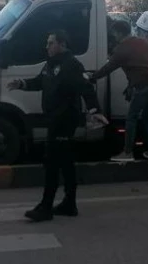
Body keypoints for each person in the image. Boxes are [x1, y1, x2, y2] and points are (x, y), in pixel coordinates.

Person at [8, 30, 106, 222]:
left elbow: (86, 88)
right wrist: (21, 83)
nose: (47, 46)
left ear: (62, 44)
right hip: (53, 118)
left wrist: (95, 112)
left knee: (52, 162)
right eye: (47, 43)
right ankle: (70, 204)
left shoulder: (71, 65)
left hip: (64, 120)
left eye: (50, 43)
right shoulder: (50, 64)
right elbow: (40, 82)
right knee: (66, 162)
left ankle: (45, 207)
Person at [89, 20, 148, 163]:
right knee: (146, 115)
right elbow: (143, 65)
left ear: (118, 33)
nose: (113, 37)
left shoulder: (121, 50)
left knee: (132, 117)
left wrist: (92, 77)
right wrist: (131, 85)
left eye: (114, 34)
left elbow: (108, 68)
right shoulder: (143, 42)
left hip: (145, 86)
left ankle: (127, 152)